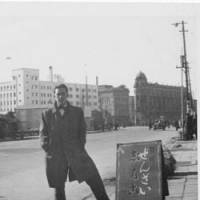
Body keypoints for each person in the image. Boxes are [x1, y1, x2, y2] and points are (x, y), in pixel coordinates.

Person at [40, 84, 110, 200]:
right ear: (54, 96)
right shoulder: (46, 114)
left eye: (63, 94)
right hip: (57, 157)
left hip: (76, 154)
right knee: (59, 190)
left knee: (94, 179)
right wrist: (51, 151)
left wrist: (78, 148)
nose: (60, 97)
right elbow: (43, 137)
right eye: (58, 94)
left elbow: (82, 132)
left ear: (67, 95)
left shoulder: (77, 112)